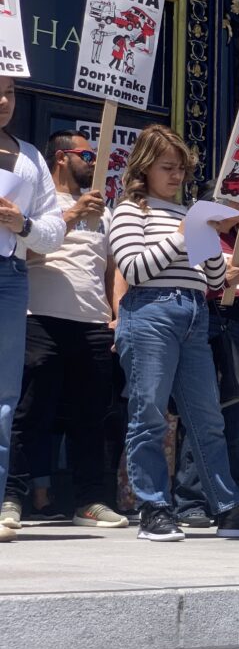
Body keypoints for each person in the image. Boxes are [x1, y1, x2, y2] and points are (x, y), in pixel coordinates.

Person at [109, 124, 239, 542]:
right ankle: (154, 505)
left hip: (193, 313)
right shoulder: (131, 211)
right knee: (149, 414)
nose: (176, 177)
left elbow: (214, 278)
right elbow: (133, 269)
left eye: (181, 169)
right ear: (145, 167)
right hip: (149, 309)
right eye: (167, 167)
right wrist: (182, 235)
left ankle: (227, 506)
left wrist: (220, 246)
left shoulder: (190, 215)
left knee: (207, 418)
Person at [4, 130, 127, 531]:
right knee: (30, 412)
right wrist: (70, 216)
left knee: (90, 416)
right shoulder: (41, 204)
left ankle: (90, 498)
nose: (93, 161)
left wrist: (117, 312)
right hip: (39, 315)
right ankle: (12, 496)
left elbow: (113, 268)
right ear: (60, 158)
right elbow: (30, 249)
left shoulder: (103, 211)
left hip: (92, 322)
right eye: (86, 153)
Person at [173, 203, 239, 529]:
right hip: (216, 327)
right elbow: (190, 286)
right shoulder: (203, 239)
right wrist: (218, 283)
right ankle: (191, 499)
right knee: (205, 418)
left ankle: (233, 498)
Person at [0, 77, 65, 543]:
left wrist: (20, 223)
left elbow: (54, 230)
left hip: (10, 274)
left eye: (11, 92)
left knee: (4, 397)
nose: (4, 101)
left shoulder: (30, 157)